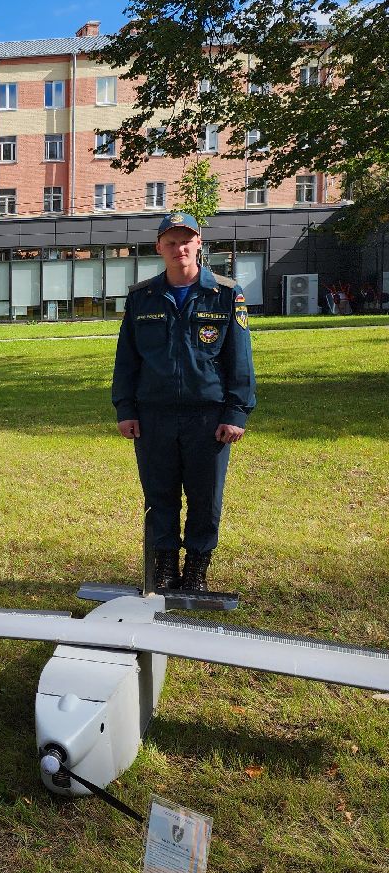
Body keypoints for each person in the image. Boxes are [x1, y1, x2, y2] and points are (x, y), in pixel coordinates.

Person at [112, 213, 256, 592]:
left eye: (186, 240)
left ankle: (196, 569)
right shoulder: (141, 297)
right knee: (159, 494)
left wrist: (236, 411)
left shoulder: (225, 293)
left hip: (207, 416)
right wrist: (125, 409)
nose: (179, 248)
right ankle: (164, 567)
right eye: (171, 242)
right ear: (159, 247)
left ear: (199, 245)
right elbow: (127, 359)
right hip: (153, 415)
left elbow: (239, 358)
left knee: (205, 497)